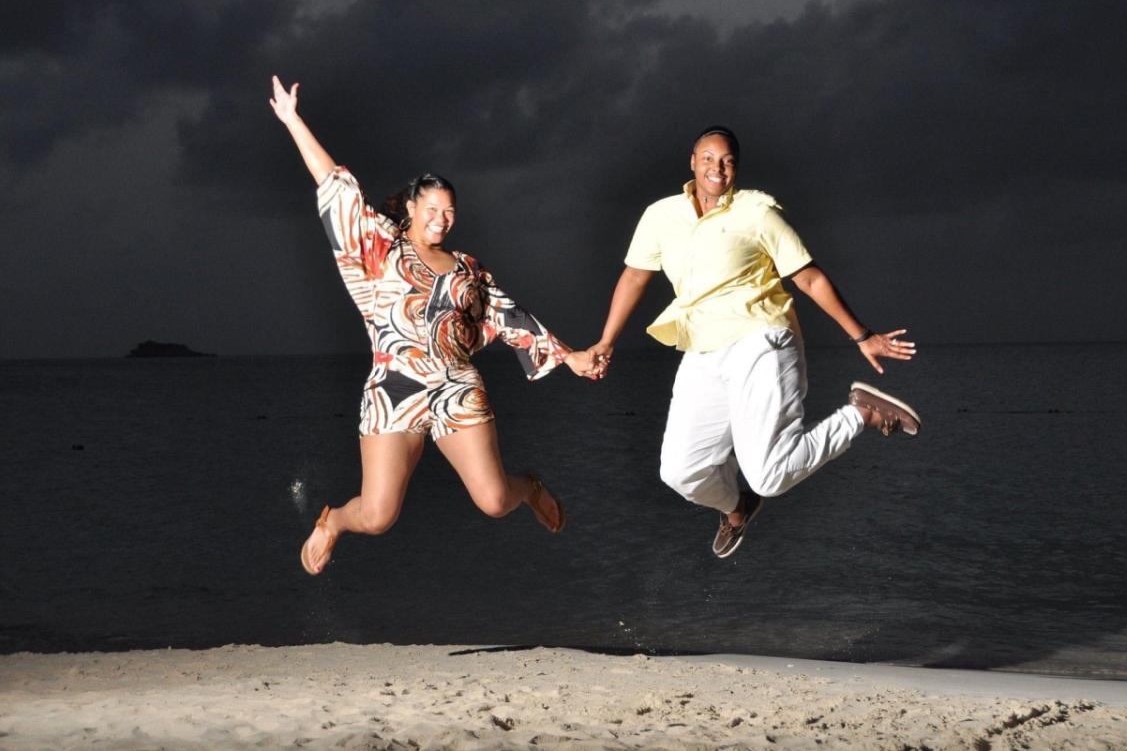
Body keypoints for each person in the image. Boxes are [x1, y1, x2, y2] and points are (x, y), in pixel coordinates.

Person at [269, 76, 598, 575]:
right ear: (411, 209)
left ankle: (527, 486)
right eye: (432, 209)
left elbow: (509, 316)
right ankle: (334, 520)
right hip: (393, 386)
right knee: (377, 516)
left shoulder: (468, 269)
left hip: (456, 385)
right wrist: (294, 121)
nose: (442, 219)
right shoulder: (380, 247)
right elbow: (336, 187)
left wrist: (570, 355)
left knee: (492, 500)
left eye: (449, 211)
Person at [587, 125, 921, 558]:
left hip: (760, 339)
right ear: (692, 161)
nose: (716, 168)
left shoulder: (757, 213)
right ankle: (738, 506)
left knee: (769, 474)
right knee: (680, 471)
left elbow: (808, 276)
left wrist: (862, 336)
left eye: (726, 161)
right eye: (708, 158)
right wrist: (606, 340)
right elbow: (634, 276)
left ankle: (862, 414)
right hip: (701, 349)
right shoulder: (660, 216)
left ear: (735, 169)